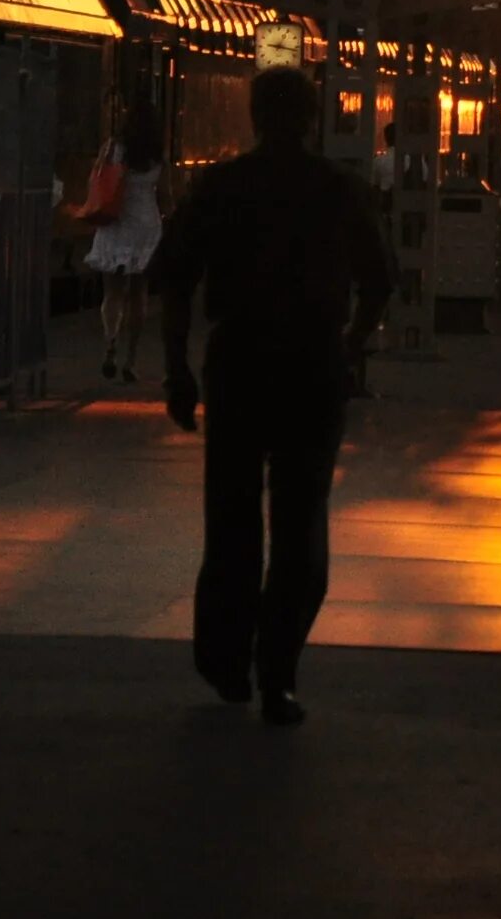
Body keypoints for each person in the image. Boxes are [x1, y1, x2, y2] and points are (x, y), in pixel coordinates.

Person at [153, 67, 393, 728]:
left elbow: (174, 278)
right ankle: (278, 675)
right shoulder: (337, 189)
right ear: (313, 118)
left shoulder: (222, 186)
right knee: (300, 523)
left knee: (231, 518)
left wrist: (177, 369)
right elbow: (379, 279)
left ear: (254, 115)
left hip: (238, 362)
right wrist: (349, 345)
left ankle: (226, 659)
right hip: (312, 365)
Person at [81, 101, 166, 384]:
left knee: (113, 292)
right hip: (145, 225)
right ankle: (131, 360)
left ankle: (110, 345)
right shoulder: (157, 154)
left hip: (115, 221)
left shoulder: (113, 147)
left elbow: (97, 178)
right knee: (139, 295)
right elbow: (166, 193)